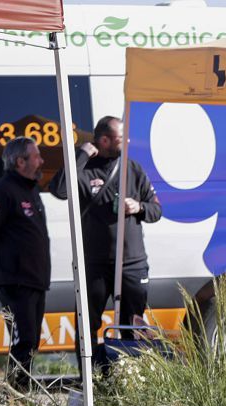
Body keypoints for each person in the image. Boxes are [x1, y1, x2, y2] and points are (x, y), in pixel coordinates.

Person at [49, 115, 161, 369]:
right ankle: (90, 379)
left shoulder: (132, 169)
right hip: (96, 265)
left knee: (132, 325)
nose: (127, 141)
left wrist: (139, 207)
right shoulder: (86, 169)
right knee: (88, 325)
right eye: (121, 138)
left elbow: (156, 211)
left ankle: (133, 378)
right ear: (104, 140)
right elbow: (60, 190)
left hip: (131, 264)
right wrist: (81, 154)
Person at [0, 137, 49, 390]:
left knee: (31, 343)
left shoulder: (31, 190)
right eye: (36, 156)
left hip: (34, 281)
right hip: (14, 282)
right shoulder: (3, 190)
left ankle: (20, 393)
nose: (42, 161)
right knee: (23, 341)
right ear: (20, 161)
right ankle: (16, 398)